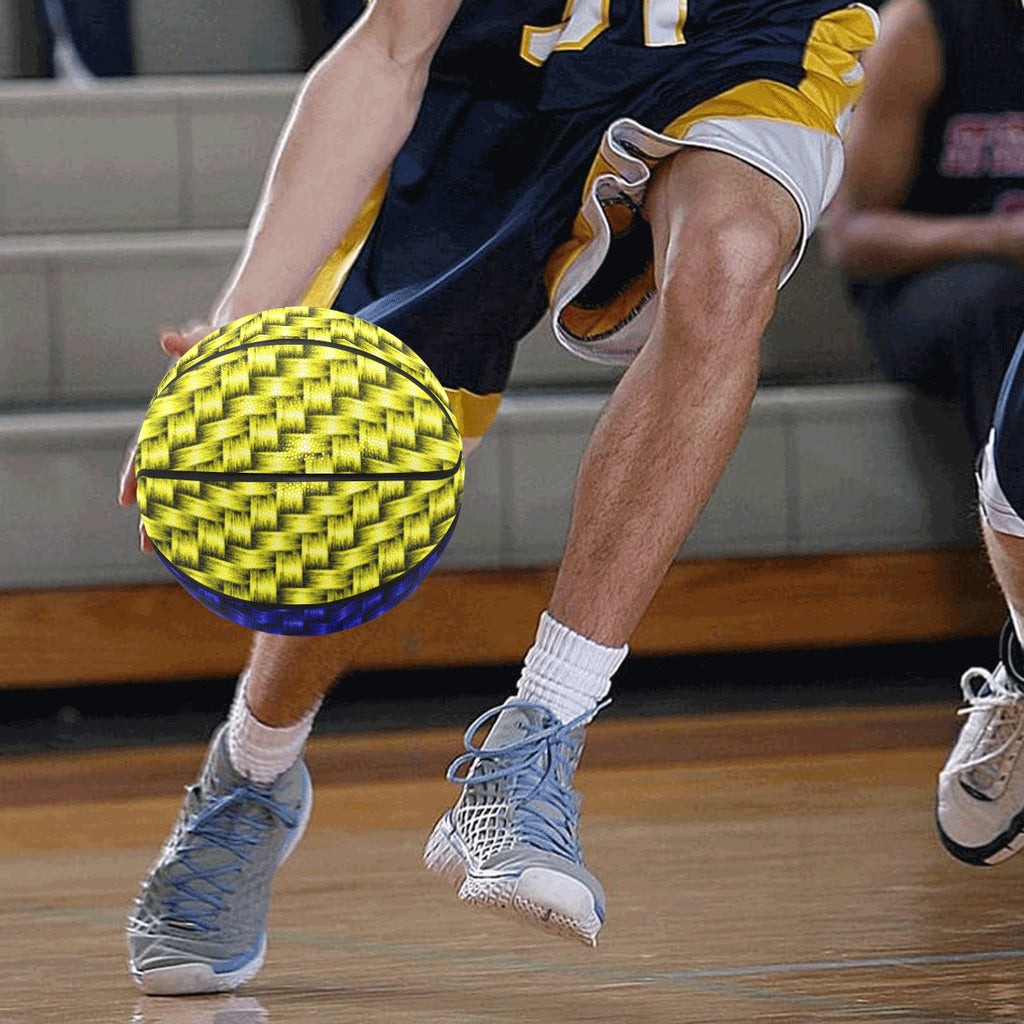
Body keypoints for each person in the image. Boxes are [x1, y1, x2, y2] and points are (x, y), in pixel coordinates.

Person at [118, 0, 878, 996]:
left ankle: (534, 746)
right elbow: (391, 45)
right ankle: (250, 775)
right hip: (491, 87)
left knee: (731, 258)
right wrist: (237, 329)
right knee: (347, 448)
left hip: (740, 47)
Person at [820, 0, 1024, 869]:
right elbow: (851, 235)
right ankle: (1015, 661)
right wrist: (1001, 236)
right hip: (931, 290)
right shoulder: (928, 29)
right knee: (1002, 302)